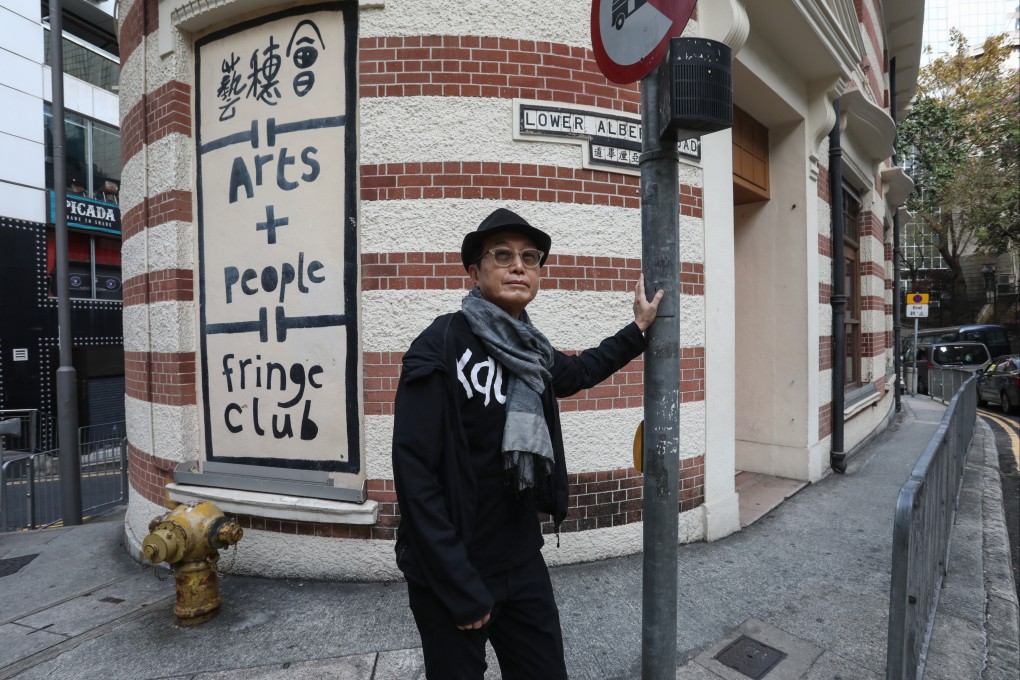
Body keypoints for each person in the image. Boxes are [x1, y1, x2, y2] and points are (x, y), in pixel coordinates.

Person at [391, 207, 664, 679]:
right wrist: (459, 585)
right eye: (502, 255)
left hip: (519, 560)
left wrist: (637, 330)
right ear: (474, 273)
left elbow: (578, 372)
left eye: (529, 257)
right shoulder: (439, 345)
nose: (518, 266)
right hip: (452, 569)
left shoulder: (531, 350)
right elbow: (414, 474)